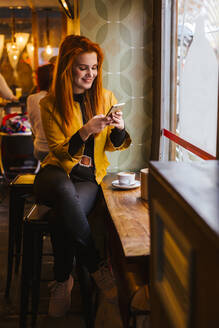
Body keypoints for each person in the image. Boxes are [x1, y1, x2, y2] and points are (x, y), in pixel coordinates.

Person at [33, 34, 131, 318]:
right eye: (82, 67)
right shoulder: (49, 104)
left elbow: (115, 144)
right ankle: (96, 265)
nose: (91, 74)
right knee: (64, 191)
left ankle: (62, 280)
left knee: (61, 215)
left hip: (88, 179)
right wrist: (85, 130)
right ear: (67, 68)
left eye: (94, 67)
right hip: (55, 173)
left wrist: (120, 127)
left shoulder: (106, 98)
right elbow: (61, 155)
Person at [27, 64, 54, 161]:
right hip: (57, 150)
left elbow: (33, 126)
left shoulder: (32, 98)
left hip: (40, 149)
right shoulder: (61, 98)